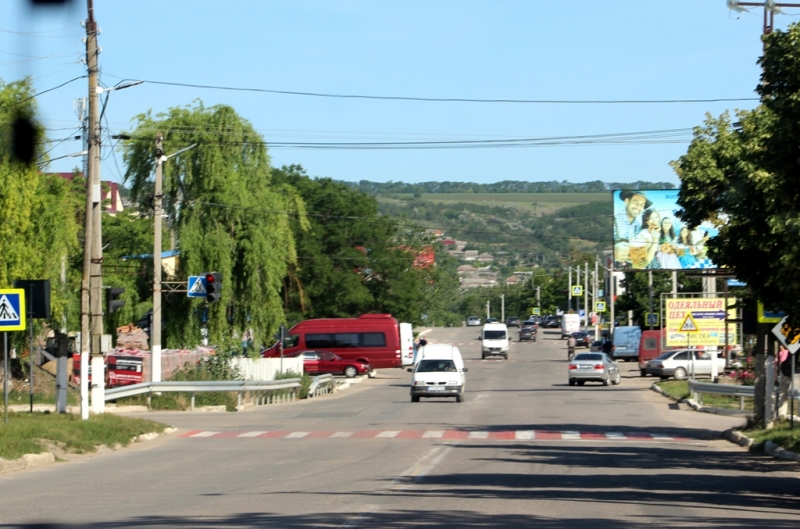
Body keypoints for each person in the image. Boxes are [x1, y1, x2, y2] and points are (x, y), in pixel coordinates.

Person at [614, 190, 652, 268]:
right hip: (613, 267)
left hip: (630, 268)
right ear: (627, 201)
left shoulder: (637, 225)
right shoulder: (614, 218)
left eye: (642, 205)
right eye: (635, 202)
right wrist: (614, 250)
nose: (638, 207)